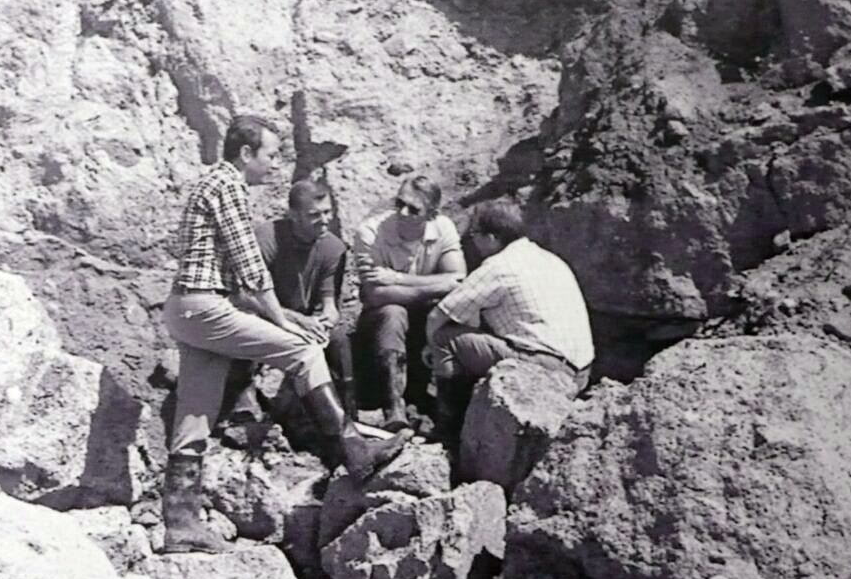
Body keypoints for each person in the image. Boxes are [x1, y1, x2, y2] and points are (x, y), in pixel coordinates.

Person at [162, 115, 406, 554]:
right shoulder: (228, 185)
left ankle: (180, 523)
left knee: (195, 413)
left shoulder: (208, 184)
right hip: (204, 303)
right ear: (245, 154)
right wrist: (284, 322)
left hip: (186, 306)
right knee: (305, 351)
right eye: (271, 155)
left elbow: (207, 258)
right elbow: (251, 269)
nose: (275, 166)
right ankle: (354, 450)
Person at [425, 199, 595, 440]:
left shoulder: (499, 266)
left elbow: (437, 315)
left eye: (475, 234)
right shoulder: (549, 258)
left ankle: (448, 430)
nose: (472, 241)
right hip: (581, 373)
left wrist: (429, 348)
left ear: (492, 238)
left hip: (545, 368)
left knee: (444, 339)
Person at [355, 176, 466, 431]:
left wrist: (396, 279)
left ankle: (446, 408)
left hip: (424, 319)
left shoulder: (443, 228)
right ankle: (393, 407)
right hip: (380, 325)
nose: (403, 212)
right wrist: (432, 287)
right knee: (394, 313)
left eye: (414, 209)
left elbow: (460, 281)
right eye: (399, 203)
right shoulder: (371, 232)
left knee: (448, 311)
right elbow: (374, 295)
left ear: (431, 215)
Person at [253, 179, 357, 417]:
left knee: (339, 338)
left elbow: (329, 303)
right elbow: (249, 298)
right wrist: (297, 320)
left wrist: (326, 320)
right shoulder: (267, 239)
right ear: (293, 215)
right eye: (314, 215)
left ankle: (348, 415)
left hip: (306, 323)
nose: (324, 220)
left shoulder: (333, 248)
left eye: (327, 212)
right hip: (267, 317)